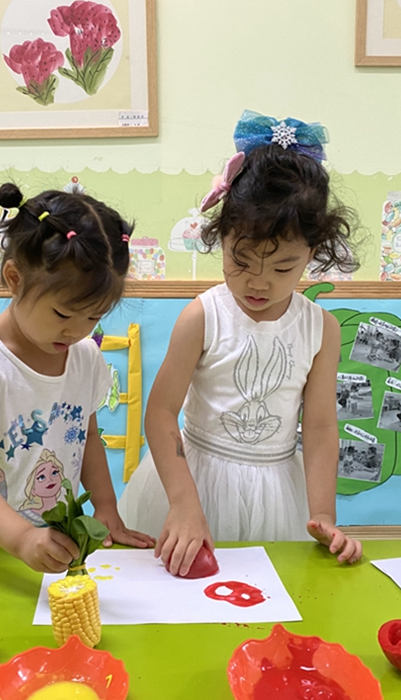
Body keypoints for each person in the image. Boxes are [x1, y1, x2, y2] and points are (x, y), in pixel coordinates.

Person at [118, 110, 363, 575]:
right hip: (193, 482)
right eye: (241, 260)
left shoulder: (321, 329)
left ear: (313, 252)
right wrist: (184, 504)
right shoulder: (203, 316)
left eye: (283, 267)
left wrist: (324, 514)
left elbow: (319, 427)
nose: (259, 282)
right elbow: (161, 412)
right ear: (222, 237)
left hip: (276, 492)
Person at [0, 183, 153, 573]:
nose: (77, 331)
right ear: (15, 279)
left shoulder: (84, 357)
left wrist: (106, 506)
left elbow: (87, 436)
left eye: (94, 317)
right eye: (62, 314)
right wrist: (20, 537)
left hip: (40, 544)